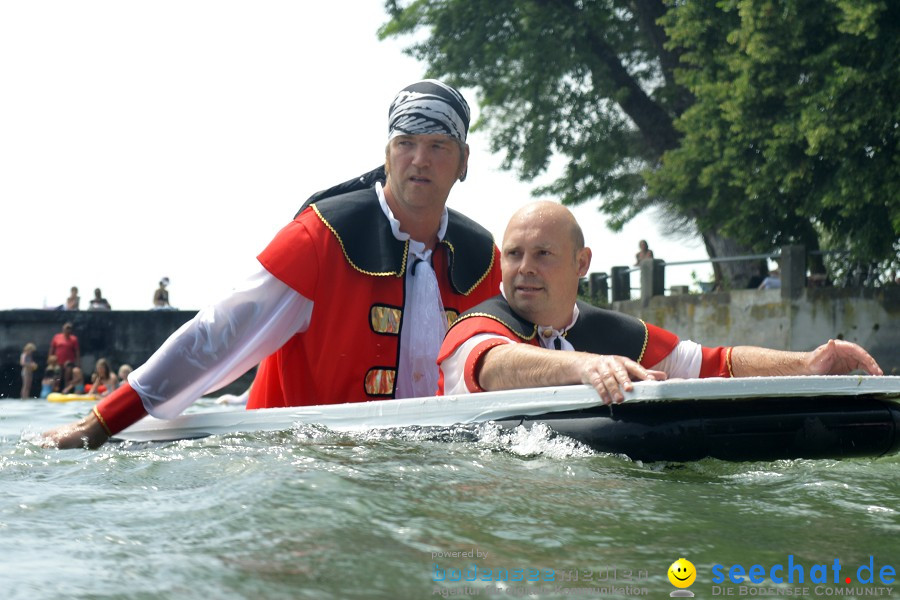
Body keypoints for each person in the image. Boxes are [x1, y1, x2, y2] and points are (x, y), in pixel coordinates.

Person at [43, 79, 502, 449]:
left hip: (431, 465)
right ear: (386, 154)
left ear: (463, 161)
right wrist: (103, 420)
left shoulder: (484, 259)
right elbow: (216, 333)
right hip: (301, 466)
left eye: (439, 145)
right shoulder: (320, 237)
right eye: (406, 142)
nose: (420, 159)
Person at [438, 202, 883, 404]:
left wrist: (805, 365)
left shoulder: (619, 335)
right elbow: (493, 366)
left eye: (542, 254)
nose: (524, 268)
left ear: (582, 263)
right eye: (513, 254)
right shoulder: (474, 328)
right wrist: (585, 367)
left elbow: (716, 363)